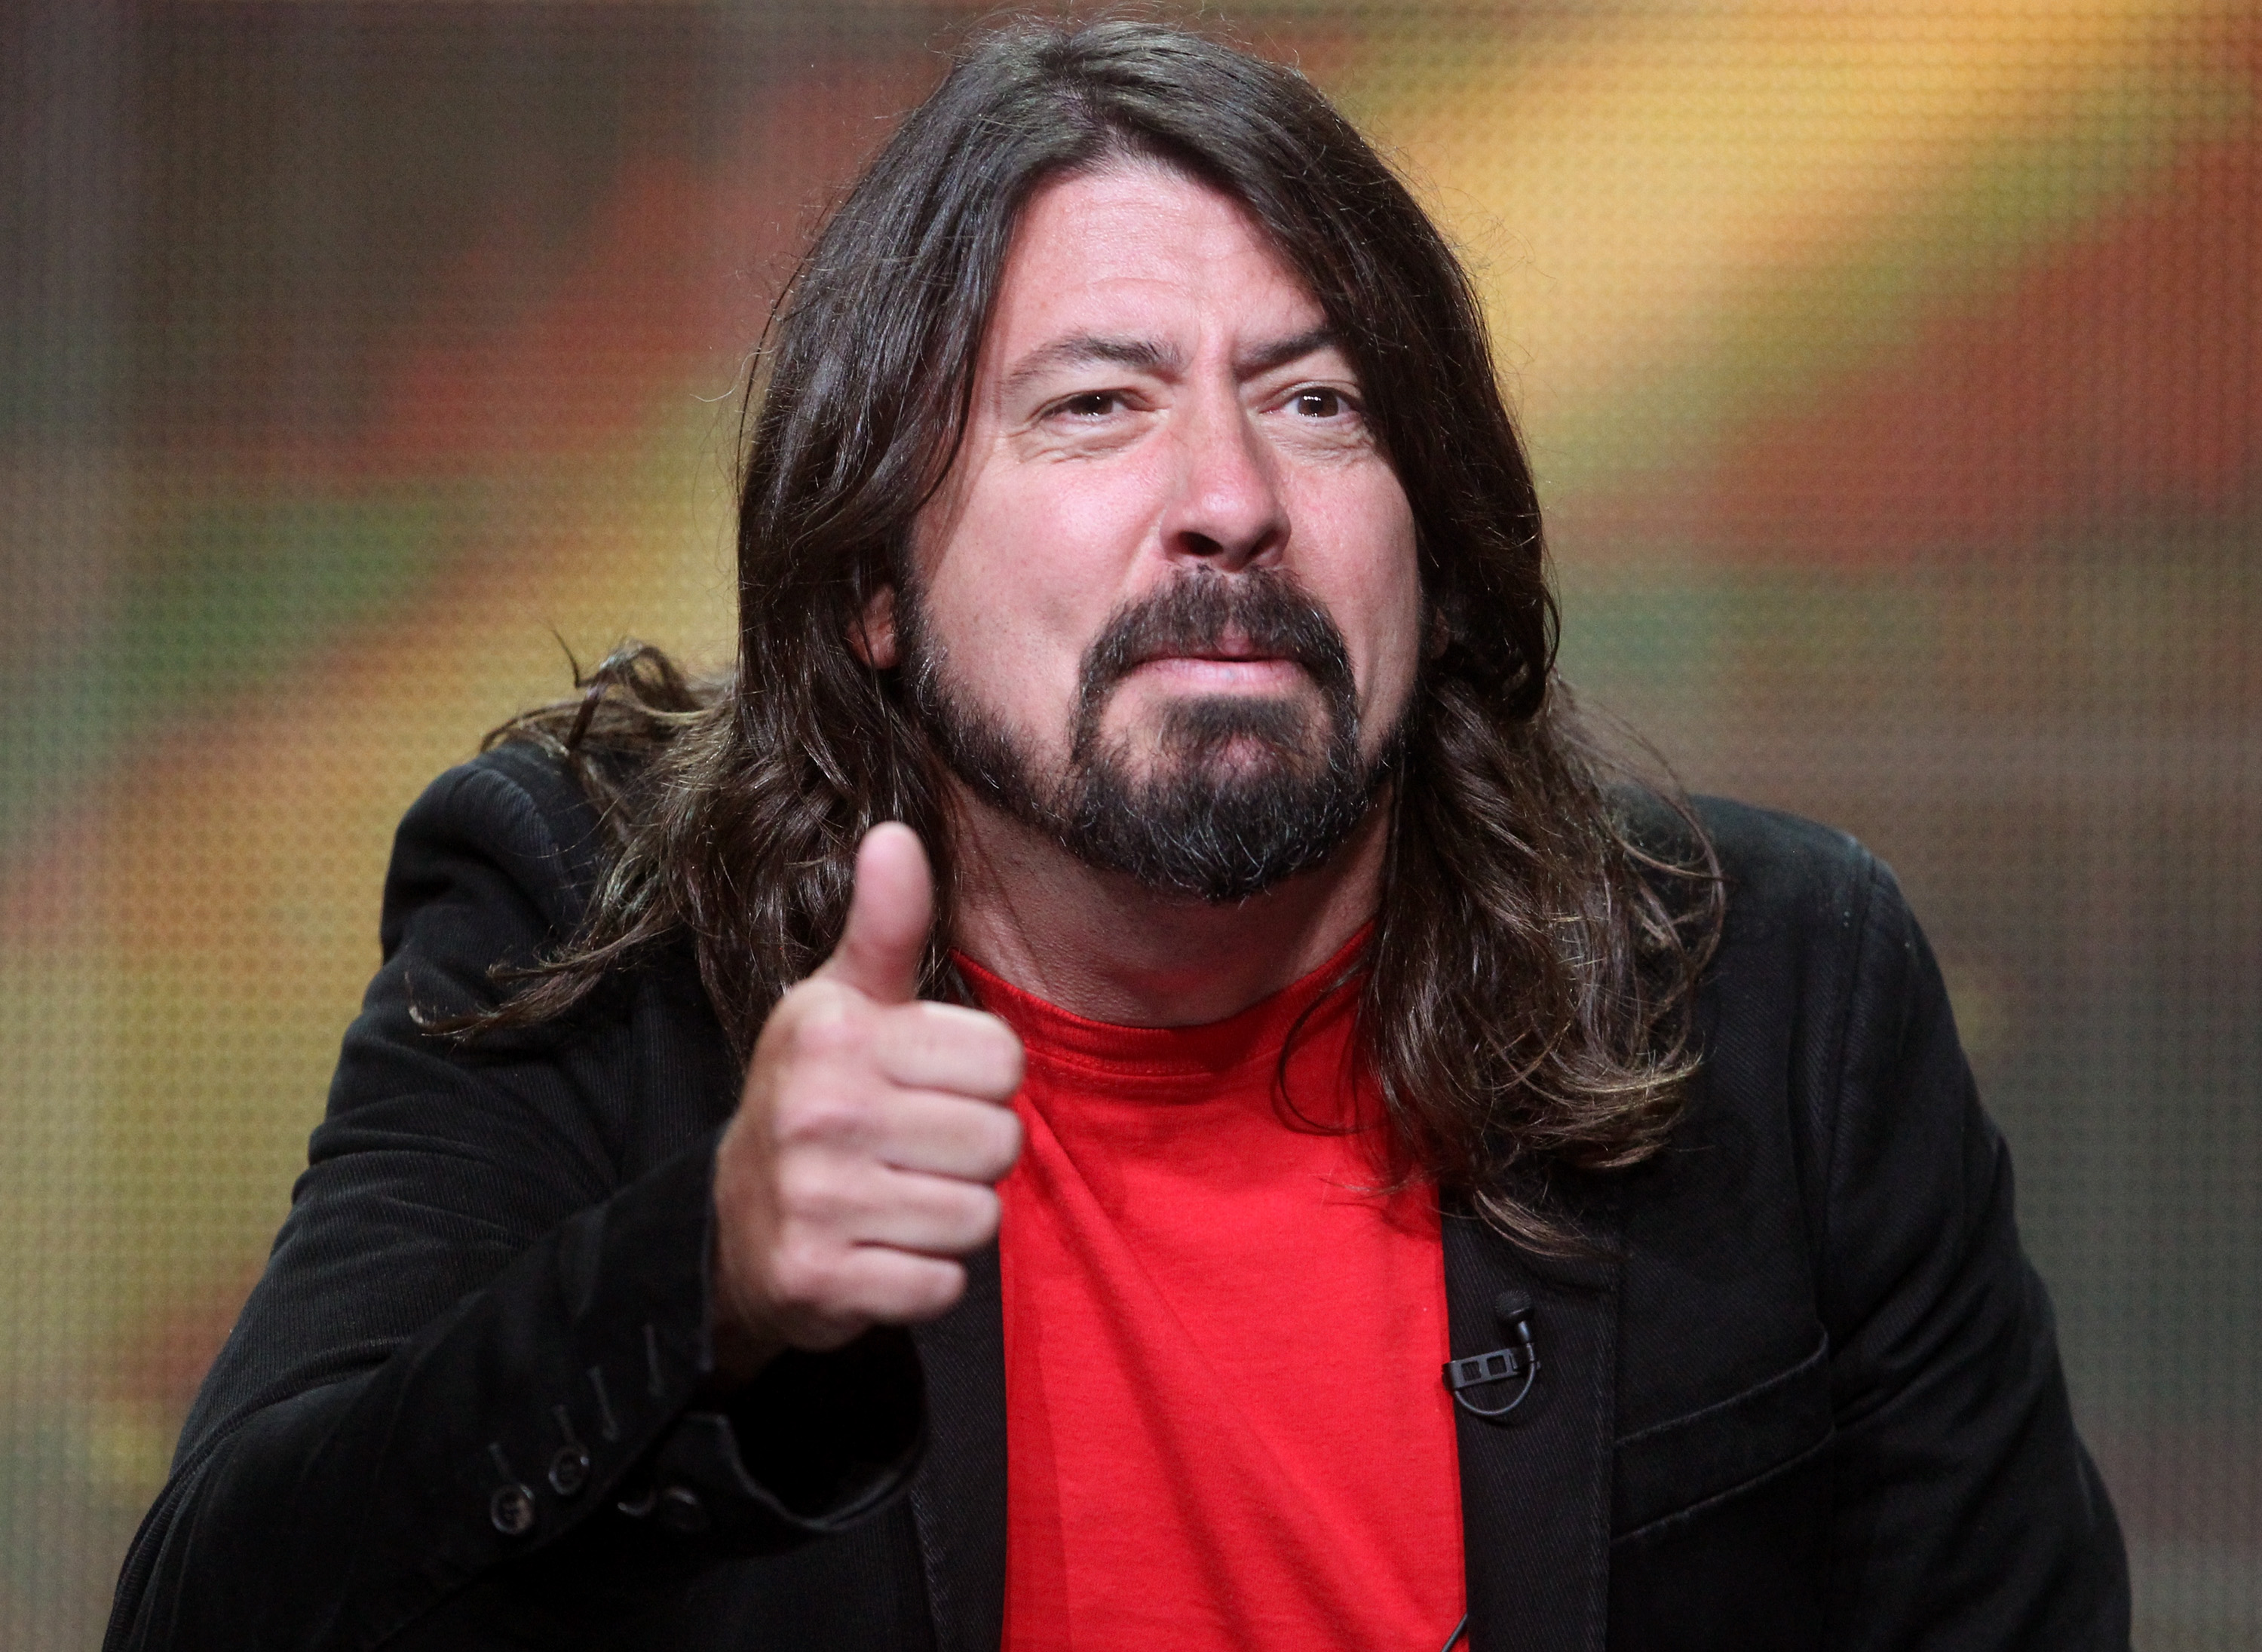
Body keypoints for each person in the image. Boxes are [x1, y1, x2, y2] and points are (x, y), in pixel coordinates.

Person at [108, 17, 2129, 1652]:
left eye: (1320, 404)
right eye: (1095, 405)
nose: (1231, 499)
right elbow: (215, 1608)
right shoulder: (591, 932)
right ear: (873, 579)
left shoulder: (1777, 991)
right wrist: (699, 1278)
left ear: (1431, 539)